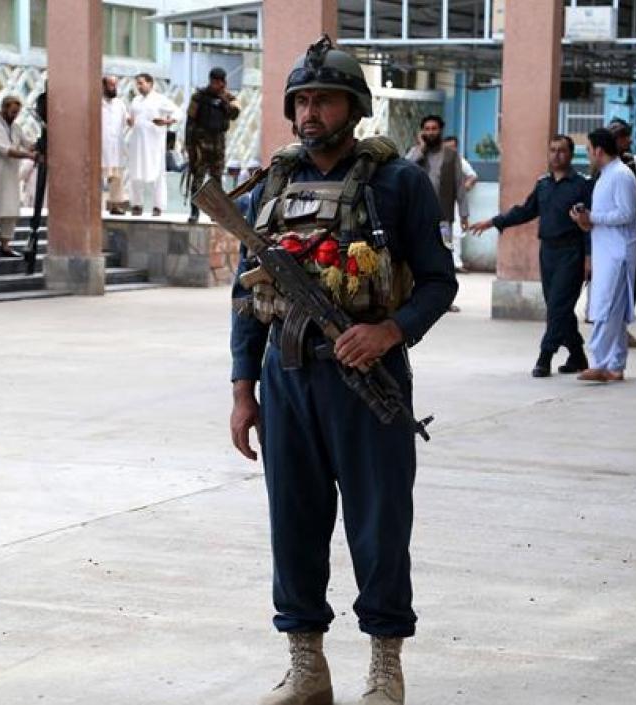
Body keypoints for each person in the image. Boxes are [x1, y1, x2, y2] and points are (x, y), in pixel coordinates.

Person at [228, 35, 457, 705]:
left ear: (352, 106)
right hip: (288, 377)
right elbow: (247, 295)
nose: (309, 112)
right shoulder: (272, 181)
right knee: (292, 524)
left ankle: (385, 670)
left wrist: (390, 330)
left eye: (323, 99)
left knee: (379, 526)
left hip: (366, 385)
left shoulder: (398, 182)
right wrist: (244, 390)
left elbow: (439, 284)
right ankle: (307, 669)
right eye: (301, 100)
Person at [469, 136, 591, 377]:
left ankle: (544, 357)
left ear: (570, 154)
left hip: (571, 252)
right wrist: (494, 222)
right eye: (553, 150)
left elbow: (589, 224)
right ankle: (578, 356)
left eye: (562, 151)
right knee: (559, 308)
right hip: (547, 252)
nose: (557, 155)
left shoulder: (581, 185)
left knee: (557, 307)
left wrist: (589, 257)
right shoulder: (543, 184)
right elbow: (526, 211)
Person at [570, 128, 636, 383]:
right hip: (606, 251)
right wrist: (585, 219)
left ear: (598, 150)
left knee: (606, 308)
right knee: (613, 311)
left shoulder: (620, 175)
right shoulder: (606, 176)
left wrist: (593, 218)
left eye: (588, 149)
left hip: (617, 253)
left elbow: (627, 214)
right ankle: (615, 365)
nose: (588, 154)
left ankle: (599, 362)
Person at [406, 115, 467, 306]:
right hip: (417, 217)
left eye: (434, 128)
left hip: (443, 218)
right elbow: (404, 169)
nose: (431, 132)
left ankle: (445, 299)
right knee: (415, 256)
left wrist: (464, 214)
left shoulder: (451, 155)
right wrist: (421, 149)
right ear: (422, 132)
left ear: (440, 130)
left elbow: (459, 185)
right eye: (427, 129)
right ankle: (414, 296)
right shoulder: (416, 152)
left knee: (444, 255)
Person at [606, 118, 636, 348]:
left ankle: (621, 328)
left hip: (630, 230)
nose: (629, 141)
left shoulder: (629, 162)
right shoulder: (605, 165)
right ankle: (613, 331)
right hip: (611, 233)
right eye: (624, 137)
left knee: (630, 282)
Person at [0, 96, 35, 259]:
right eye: (12, 112)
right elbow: (6, 150)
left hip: (11, 174)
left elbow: (27, 144)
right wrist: (30, 156)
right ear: (4, 108)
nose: (14, 115)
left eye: (17, 113)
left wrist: (39, 145)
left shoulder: (16, 127)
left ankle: (6, 244)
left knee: (11, 209)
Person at [186, 66, 240, 224]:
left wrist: (224, 101)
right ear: (211, 81)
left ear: (224, 82)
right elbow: (190, 121)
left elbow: (235, 114)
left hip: (218, 145)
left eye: (220, 82)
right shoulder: (198, 97)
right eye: (215, 82)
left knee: (216, 181)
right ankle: (194, 211)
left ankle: (216, 213)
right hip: (200, 146)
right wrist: (189, 146)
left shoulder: (229, 98)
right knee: (197, 179)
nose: (217, 85)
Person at [126, 73, 177, 217]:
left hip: (154, 144)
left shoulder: (160, 100)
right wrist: (130, 122)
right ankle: (136, 205)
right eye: (137, 84)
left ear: (150, 83)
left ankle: (158, 206)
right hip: (137, 142)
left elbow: (178, 113)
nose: (139, 86)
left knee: (157, 174)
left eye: (141, 83)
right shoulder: (136, 100)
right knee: (135, 173)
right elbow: (132, 118)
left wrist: (166, 122)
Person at [442, 135, 477, 272]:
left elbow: (473, 176)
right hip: (439, 202)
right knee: (442, 232)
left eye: (452, 146)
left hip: (455, 203)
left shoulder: (460, 161)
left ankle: (456, 263)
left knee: (456, 233)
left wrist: (465, 187)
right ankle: (444, 263)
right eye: (447, 146)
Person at [100, 77, 129, 215]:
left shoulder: (120, 104)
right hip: (100, 144)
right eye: (111, 85)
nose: (114, 87)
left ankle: (115, 205)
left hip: (116, 145)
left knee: (116, 178)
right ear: (103, 86)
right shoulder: (96, 103)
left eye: (115, 85)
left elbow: (125, 122)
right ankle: (94, 206)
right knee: (96, 177)